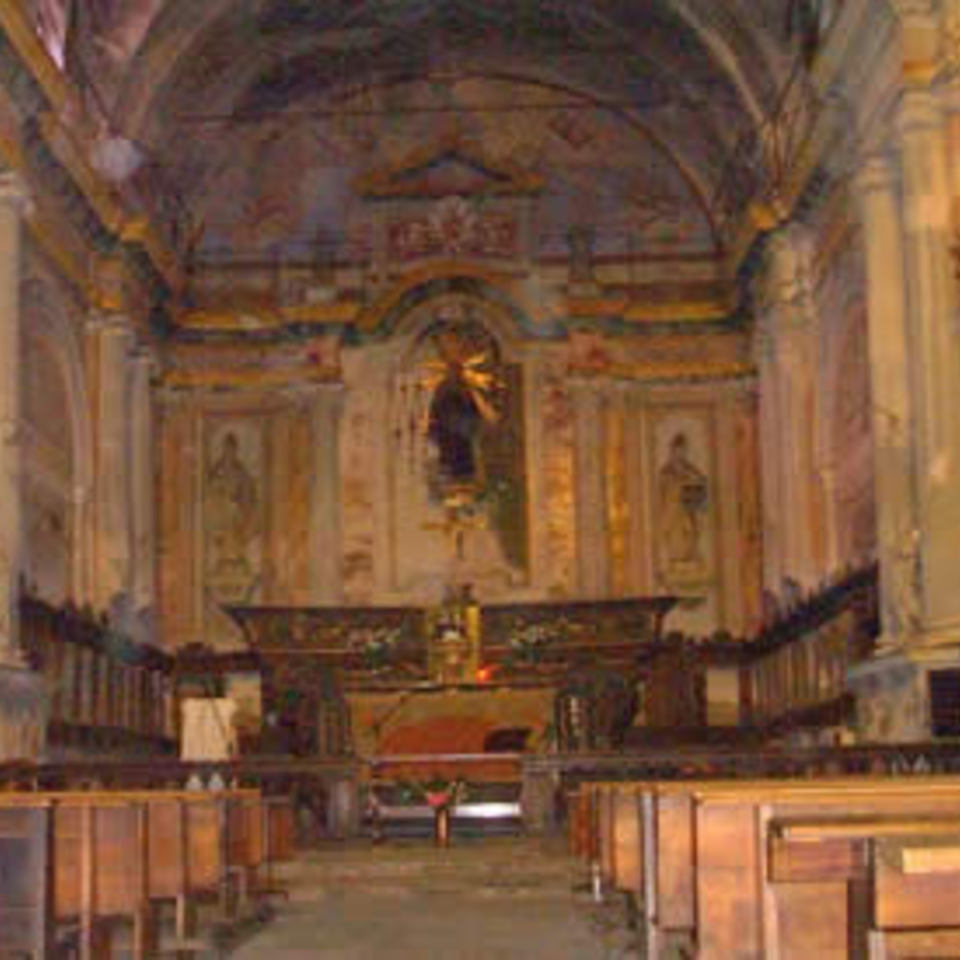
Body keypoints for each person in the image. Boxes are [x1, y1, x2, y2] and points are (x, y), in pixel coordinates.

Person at [658, 432, 708, 569]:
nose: (680, 454)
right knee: (676, 536)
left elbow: (700, 486)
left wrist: (692, 482)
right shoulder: (666, 471)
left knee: (690, 531)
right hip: (672, 512)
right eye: (677, 450)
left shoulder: (690, 470)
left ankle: (690, 555)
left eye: (683, 450)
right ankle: (676, 559)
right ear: (672, 451)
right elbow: (662, 493)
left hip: (687, 511)